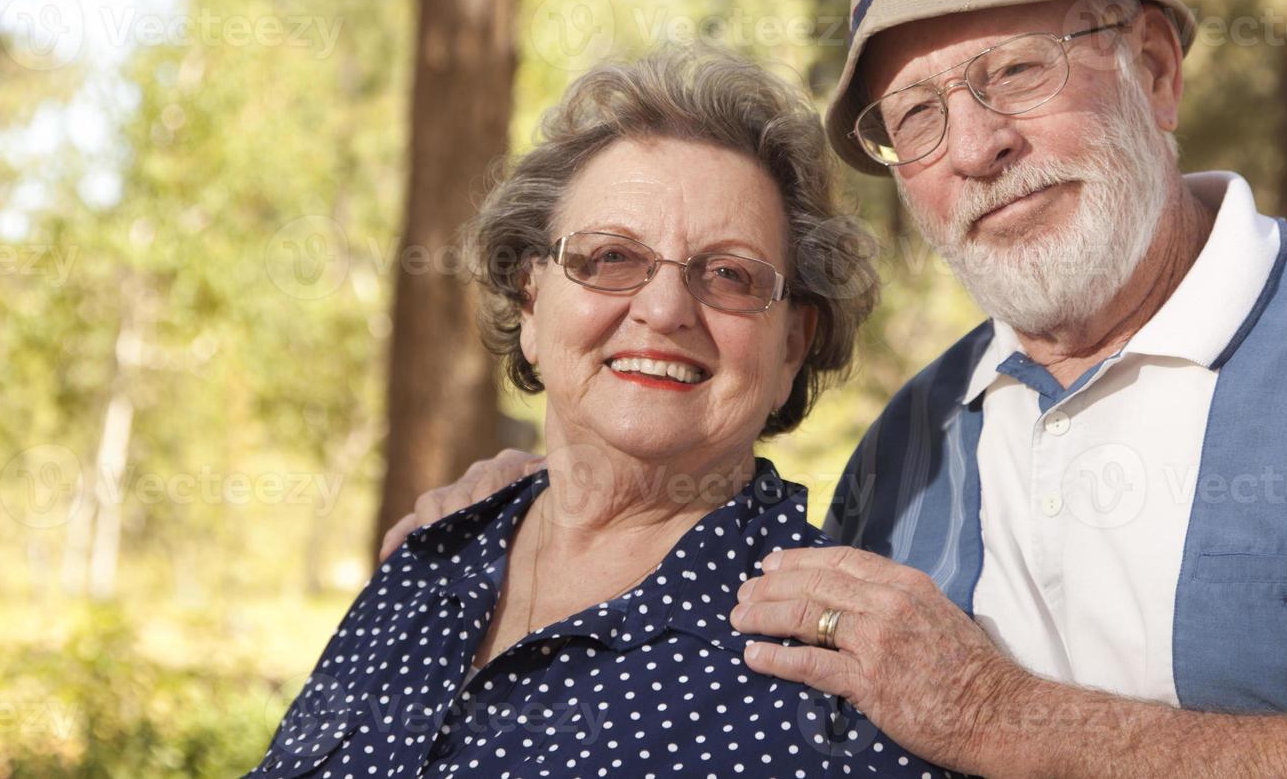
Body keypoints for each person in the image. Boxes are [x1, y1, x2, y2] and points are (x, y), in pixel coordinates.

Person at [382, 0, 1287, 776]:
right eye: (917, 115)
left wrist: (1004, 714)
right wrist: (543, 497)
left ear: (1155, 69)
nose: (977, 146)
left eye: (1019, 71)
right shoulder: (907, 451)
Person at [248, 48, 960, 777]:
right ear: (530, 302)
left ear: (790, 347)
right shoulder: (427, 560)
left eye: (729, 274)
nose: (663, 309)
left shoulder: (836, 674)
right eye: (612, 257)